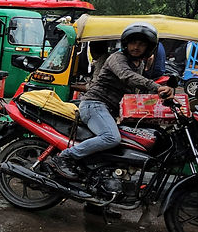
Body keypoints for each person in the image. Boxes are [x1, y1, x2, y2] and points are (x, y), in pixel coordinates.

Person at [45, 22, 173, 182]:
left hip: (109, 111)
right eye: (133, 42)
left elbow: (134, 92)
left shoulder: (139, 65)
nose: (136, 47)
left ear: (148, 48)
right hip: (94, 104)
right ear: (126, 43)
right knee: (111, 137)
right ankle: (64, 157)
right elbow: (125, 75)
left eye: (141, 44)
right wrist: (156, 87)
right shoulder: (117, 58)